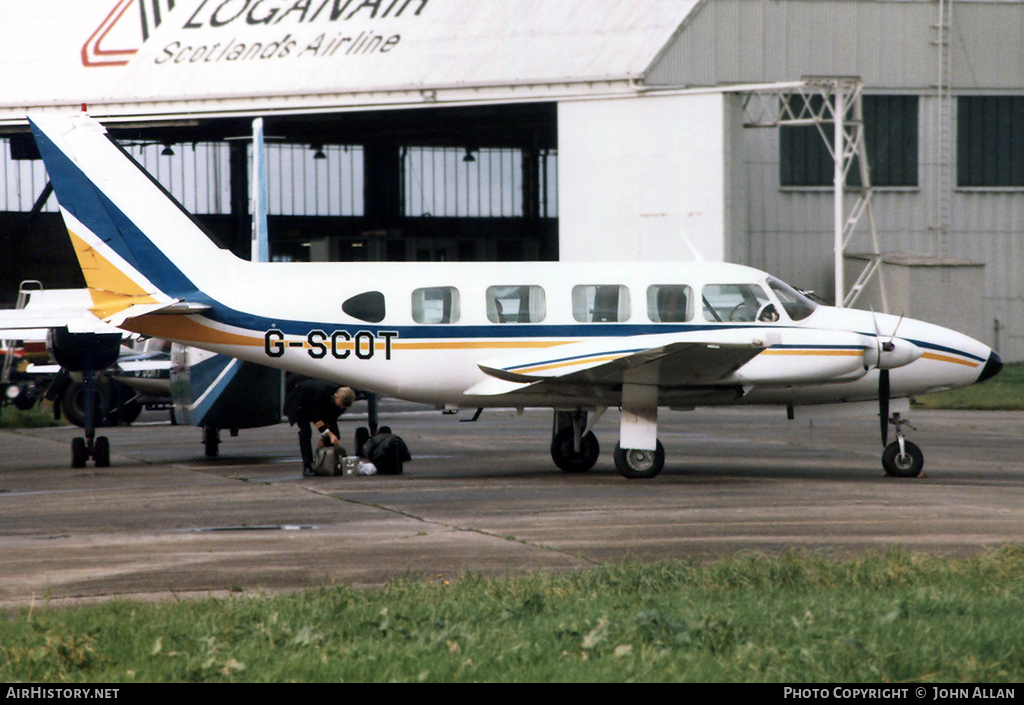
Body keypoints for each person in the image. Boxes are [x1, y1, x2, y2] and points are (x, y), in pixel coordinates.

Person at [283, 379, 355, 476]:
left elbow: (331, 418)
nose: (341, 408)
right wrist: (328, 434)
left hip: (318, 406)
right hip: (300, 403)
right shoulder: (321, 393)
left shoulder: (341, 399)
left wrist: (325, 437)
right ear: (336, 397)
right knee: (305, 431)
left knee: (335, 435)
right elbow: (316, 418)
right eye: (340, 405)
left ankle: (327, 462)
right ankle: (307, 466)